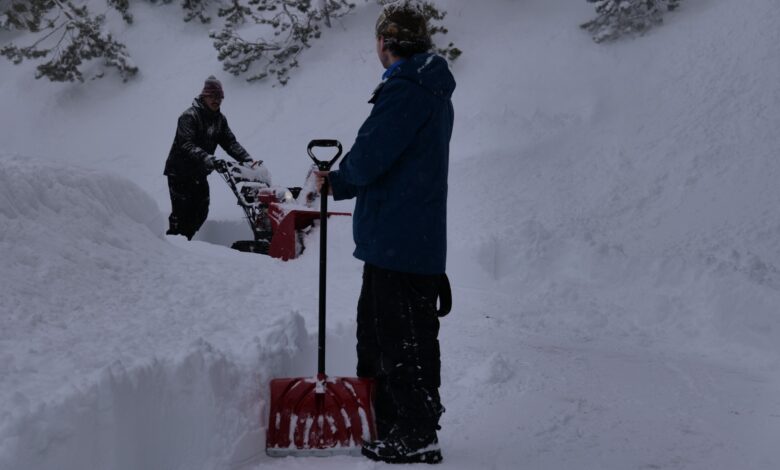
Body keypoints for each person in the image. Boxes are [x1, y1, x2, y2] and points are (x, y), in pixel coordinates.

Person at [315, 2, 455, 464]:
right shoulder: (427, 88)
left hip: (400, 239)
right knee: (387, 334)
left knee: (400, 338)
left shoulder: (408, 89)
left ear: (388, 41)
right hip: (405, 237)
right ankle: (395, 421)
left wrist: (334, 180)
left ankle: (415, 432)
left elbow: (372, 155)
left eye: (378, 39)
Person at [163, 75, 256, 240]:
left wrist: (249, 160)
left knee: (201, 210)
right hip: (180, 172)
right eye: (212, 96)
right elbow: (186, 145)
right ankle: (174, 243)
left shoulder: (219, 120)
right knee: (182, 212)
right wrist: (208, 158)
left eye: (219, 97)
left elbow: (230, 143)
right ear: (204, 96)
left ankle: (186, 240)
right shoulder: (189, 116)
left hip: (199, 173)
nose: (216, 100)